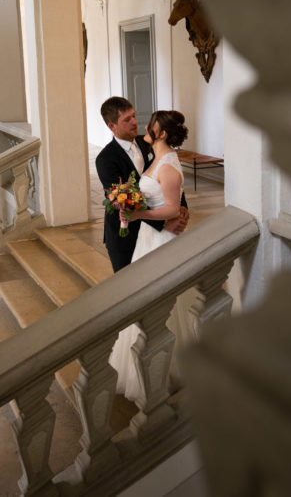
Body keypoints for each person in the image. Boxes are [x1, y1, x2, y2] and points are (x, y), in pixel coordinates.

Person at [106, 109, 193, 406]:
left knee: (162, 303)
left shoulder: (167, 166)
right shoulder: (156, 157)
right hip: (147, 239)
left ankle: (167, 368)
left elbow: (171, 207)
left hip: (161, 241)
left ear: (163, 133)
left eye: (151, 123)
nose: (144, 125)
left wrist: (138, 213)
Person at [95, 97, 188, 272]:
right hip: (125, 235)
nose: (135, 122)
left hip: (153, 234)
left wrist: (182, 208)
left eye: (134, 116)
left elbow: (170, 180)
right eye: (127, 119)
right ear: (111, 126)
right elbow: (121, 202)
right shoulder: (105, 159)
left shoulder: (149, 143)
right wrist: (163, 225)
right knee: (128, 287)